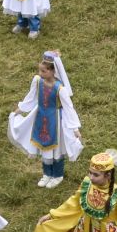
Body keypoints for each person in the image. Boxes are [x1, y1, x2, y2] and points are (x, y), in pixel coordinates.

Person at [8, 51, 83, 188]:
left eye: (43, 71)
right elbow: (31, 98)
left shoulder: (60, 89)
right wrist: (20, 110)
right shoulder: (38, 81)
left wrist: (74, 128)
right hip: (40, 117)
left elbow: (69, 108)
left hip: (56, 122)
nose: (40, 73)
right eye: (40, 70)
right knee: (43, 148)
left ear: (53, 71)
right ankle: (47, 174)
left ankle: (57, 175)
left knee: (56, 149)